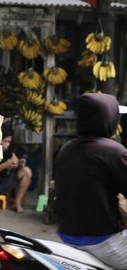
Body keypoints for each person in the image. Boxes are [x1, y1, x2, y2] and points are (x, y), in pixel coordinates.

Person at [53, 93, 127, 269]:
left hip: (66, 234)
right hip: (102, 240)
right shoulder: (114, 151)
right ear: (110, 118)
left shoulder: (66, 149)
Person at [0, 126, 32, 213]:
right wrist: (3, 166)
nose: (7, 144)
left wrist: (20, 163)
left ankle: (17, 202)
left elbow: (15, 161)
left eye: (9, 142)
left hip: (4, 183)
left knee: (27, 171)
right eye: (5, 141)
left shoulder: (8, 151)